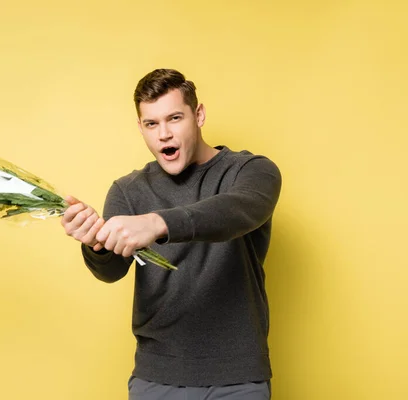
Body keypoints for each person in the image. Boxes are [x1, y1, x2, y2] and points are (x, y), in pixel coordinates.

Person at [61, 69, 282, 400]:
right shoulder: (127, 191)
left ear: (199, 115)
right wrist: (96, 244)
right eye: (151, 124)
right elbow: (111, 271)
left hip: (239, 379)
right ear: (141, 128)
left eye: (174, 118)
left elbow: (238, 211)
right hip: (157, 379)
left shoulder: (251, 172)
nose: (163, 134)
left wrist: (156, 224)